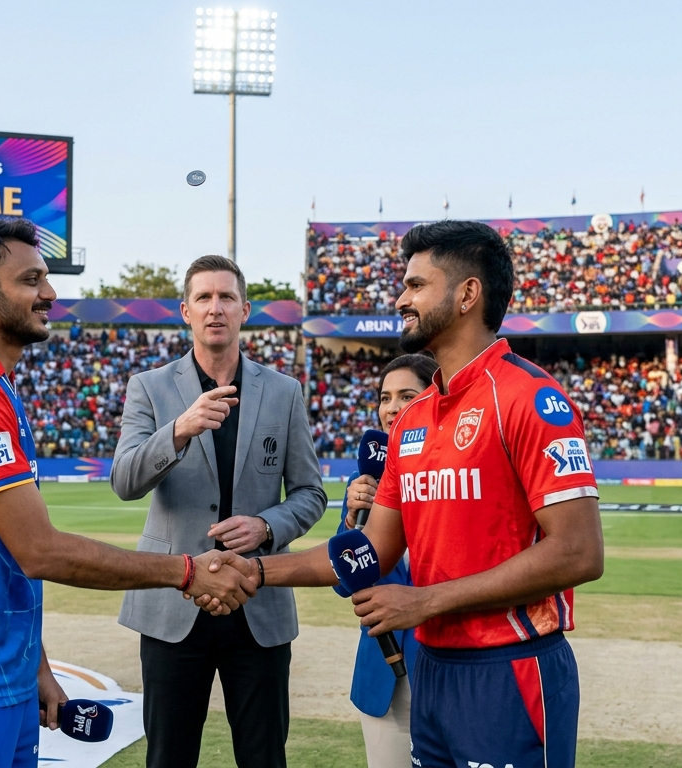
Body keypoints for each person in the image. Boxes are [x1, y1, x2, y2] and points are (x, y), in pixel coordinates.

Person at [199, 220, 604, 768]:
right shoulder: (413, 419)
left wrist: (427, 601)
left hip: (509, 670)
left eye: (416, 285)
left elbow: (579, 552)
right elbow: (373, 550)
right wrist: (256, 571)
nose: (401, 297)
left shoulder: (530, 398)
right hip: (431, 672)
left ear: (467, 294)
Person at [0, 219, 260, 768]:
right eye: (31, 280)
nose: (50, 294)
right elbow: (40, 551)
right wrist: (187, 572)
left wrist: (34, 667)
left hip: (1, 674)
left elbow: (2, 556)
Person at [111, 255, 327, 768]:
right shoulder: (150, 387)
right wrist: (179, 431)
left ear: (245, 309)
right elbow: (124, 482)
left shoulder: (284, 391)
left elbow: (311, 493)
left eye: (226, 297)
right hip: (173, 606)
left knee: (264, 757)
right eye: (204, 298)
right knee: (168, 757)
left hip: (257, 603)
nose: (215, 308)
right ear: (185, 311)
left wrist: (266, 525)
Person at [340, 353, 437, 767]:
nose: (392, 407)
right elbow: (343, 582)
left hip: (450, 667)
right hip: (385, 675)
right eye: (385, 396)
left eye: (407, 395)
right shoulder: (362, 483)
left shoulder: (456, 475)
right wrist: (350, 520)